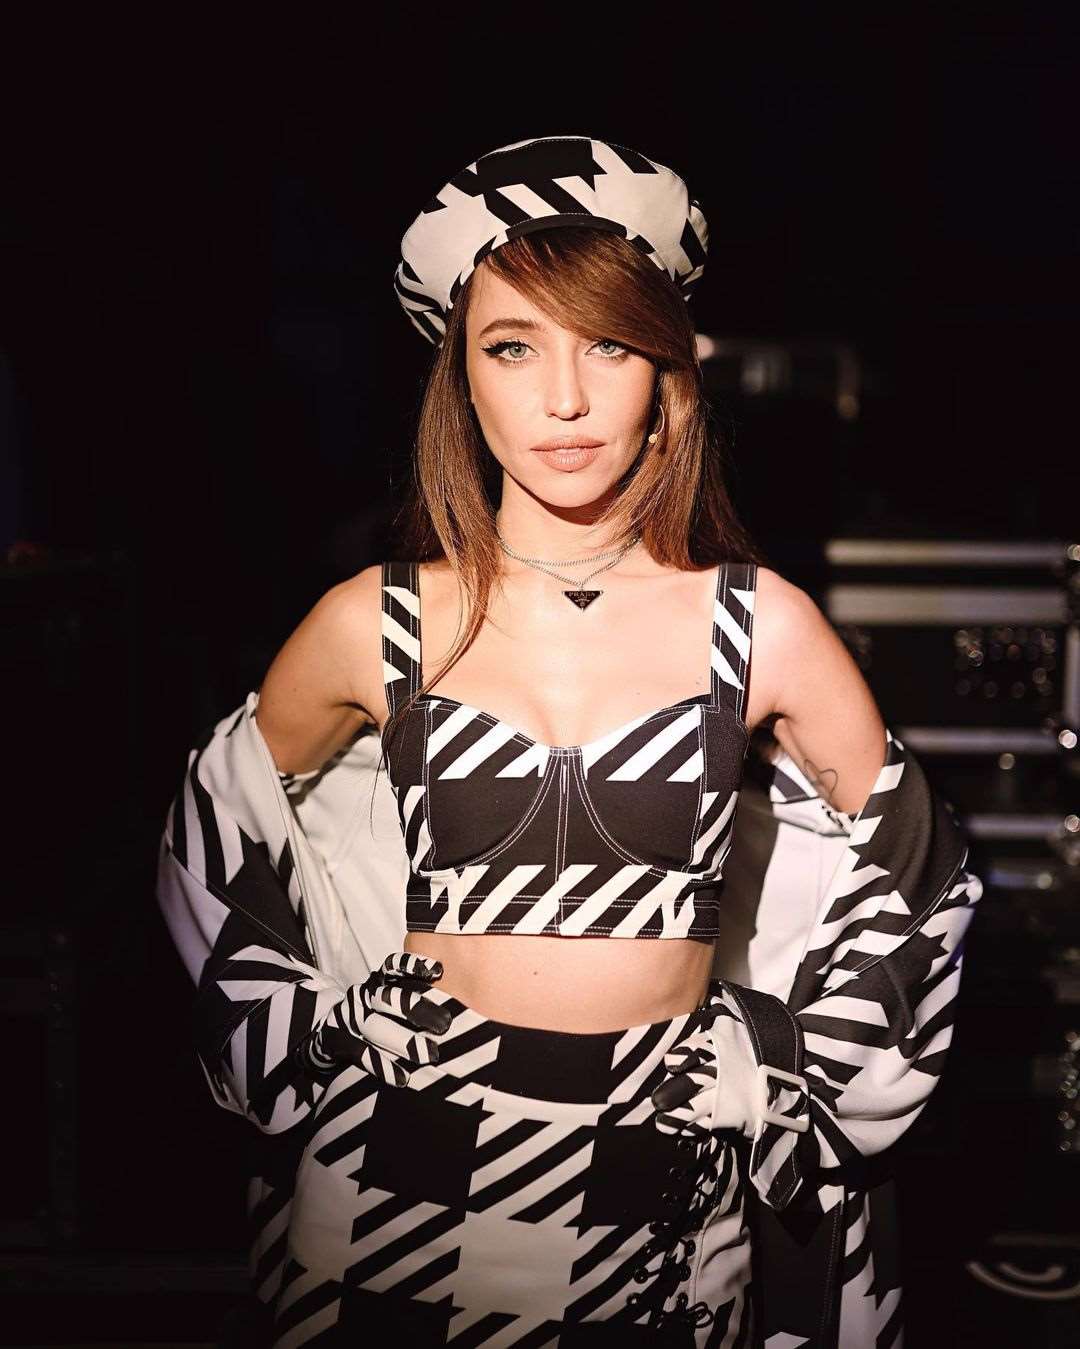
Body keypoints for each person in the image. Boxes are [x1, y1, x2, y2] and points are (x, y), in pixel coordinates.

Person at [157, 135, 982, 1346]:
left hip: (654, 1186)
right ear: (461, 377)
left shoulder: (759, 627)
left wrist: (779, 1058)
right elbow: (215, 832)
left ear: (667, 371)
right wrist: (325, 1026)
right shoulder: (375, 621)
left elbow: (921, 877)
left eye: (608, 344)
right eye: (513, 346)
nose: (565, 397)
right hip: (392, 1174)